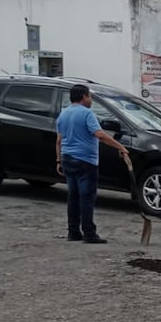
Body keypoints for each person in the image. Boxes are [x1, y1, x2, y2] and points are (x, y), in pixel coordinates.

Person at [55, 84, 129, 243]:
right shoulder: (87, 114)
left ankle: (73, 231)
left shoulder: (63, 114)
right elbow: (99, 134)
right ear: (83, 97)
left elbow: (59, 140)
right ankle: (89, 233)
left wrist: (59, 160)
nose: (91, 100)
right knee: (87, 197)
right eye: (89, 96)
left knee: (73, 196)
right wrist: (120, 147)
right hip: (85, 161)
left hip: (68, 158)